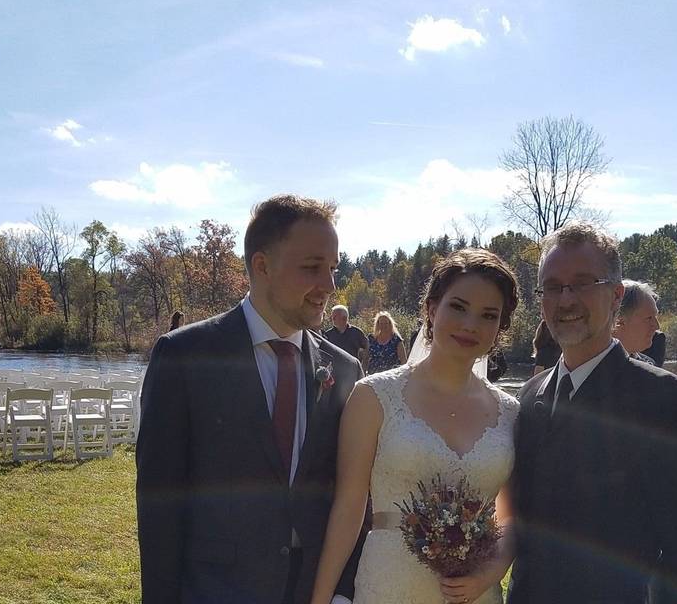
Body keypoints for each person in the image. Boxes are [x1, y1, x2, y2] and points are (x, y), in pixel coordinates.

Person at [136, 195, 367, 604]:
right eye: (312, 267)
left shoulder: (345, 370)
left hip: (311, 590)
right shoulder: (186, 356)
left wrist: (342, 592)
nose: (329, 286)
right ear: (262, 266)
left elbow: (353, 494)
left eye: (333, 268)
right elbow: (159, 503)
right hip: (215, 590)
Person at [507, 221, 677, 604]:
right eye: (552, 286)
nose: (566, 299)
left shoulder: (663, 399)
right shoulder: (531, 395)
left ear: (616, 295)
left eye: (583, 283)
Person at [309, 248, 521, 604]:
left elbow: (511, 516)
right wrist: (320, 597)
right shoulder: (374, 397)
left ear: (500, 328)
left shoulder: (511, 412)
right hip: (390, 584)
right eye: (458, 306)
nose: (471, 324)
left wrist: (491, 573)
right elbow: (349, 507)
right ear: (431, 308)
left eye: (488, 315)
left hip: (473, 593)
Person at [612, 280, 661, 363]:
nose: (656, 326)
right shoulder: (593, 366)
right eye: (649, 318)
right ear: (619, 320)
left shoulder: (649, 365)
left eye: (655, 316)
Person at [323, 305, 369, 371]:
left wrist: (362, 371)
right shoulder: (328, 335)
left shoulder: (357, 333)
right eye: (332, 316)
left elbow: (366, 353)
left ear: (345, 318)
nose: (332, 318)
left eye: (335, 316)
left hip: (352, 371)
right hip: (335, 373)